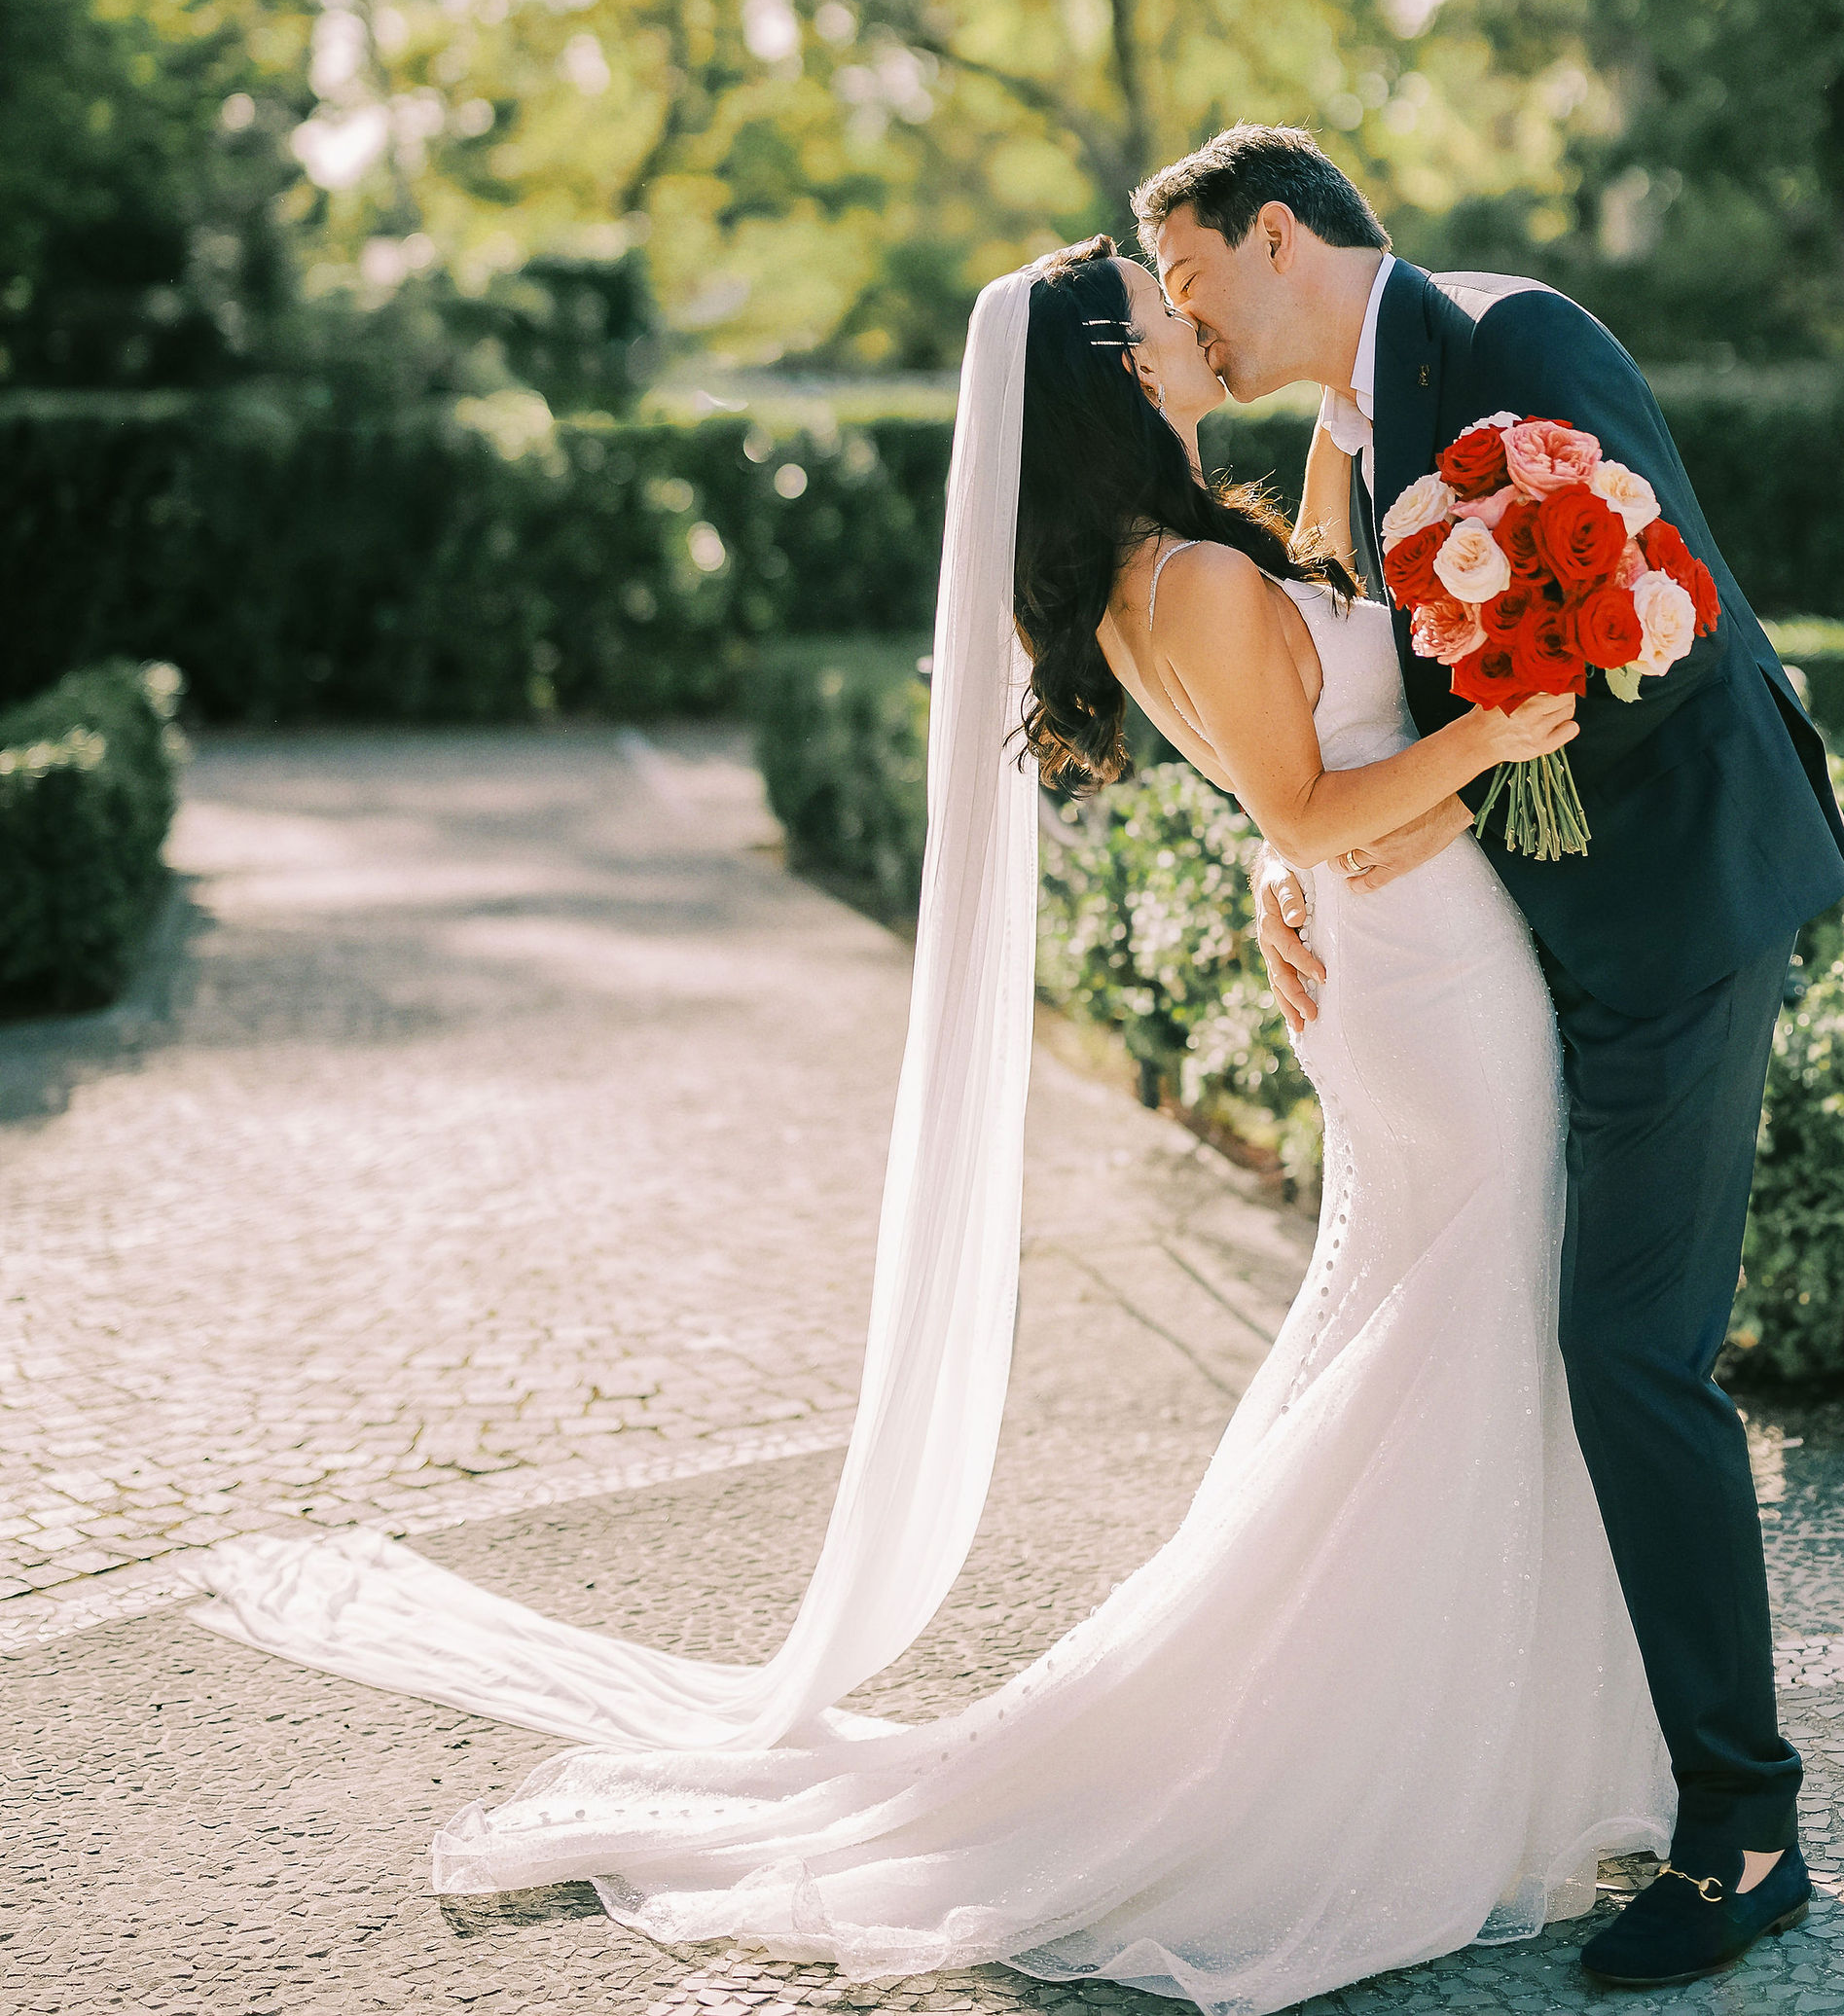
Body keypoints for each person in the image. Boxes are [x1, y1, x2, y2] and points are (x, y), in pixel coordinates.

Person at [192, 229, 1681, 2011]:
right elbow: (1308, 801)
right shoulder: (1187, 580)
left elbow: (1295, 767)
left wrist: (1338, 746)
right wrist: (1504, 727)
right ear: (1117, 381)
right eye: (1159, 318)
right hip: (1434, 981)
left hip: (1400, 966)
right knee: (1462, 1343)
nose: (1190, 323)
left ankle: (1470, 1733)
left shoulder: (1166, 565)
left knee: (1434, 1346)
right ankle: (1381, 1754)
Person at [1135, 125, 1844, 1992]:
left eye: (1195, 281)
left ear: (1274, 232)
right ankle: (1591, 1766)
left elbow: (1661, 623)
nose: (1189, 324)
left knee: (1629, 1345)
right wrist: (1297, 848)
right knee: (1571, 1340)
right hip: (1536, 944)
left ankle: (1746, 1827)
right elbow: (1345, 689)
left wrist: (1425, 793)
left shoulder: (1516, 344)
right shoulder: (1342, 436)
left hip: (1680, 903)